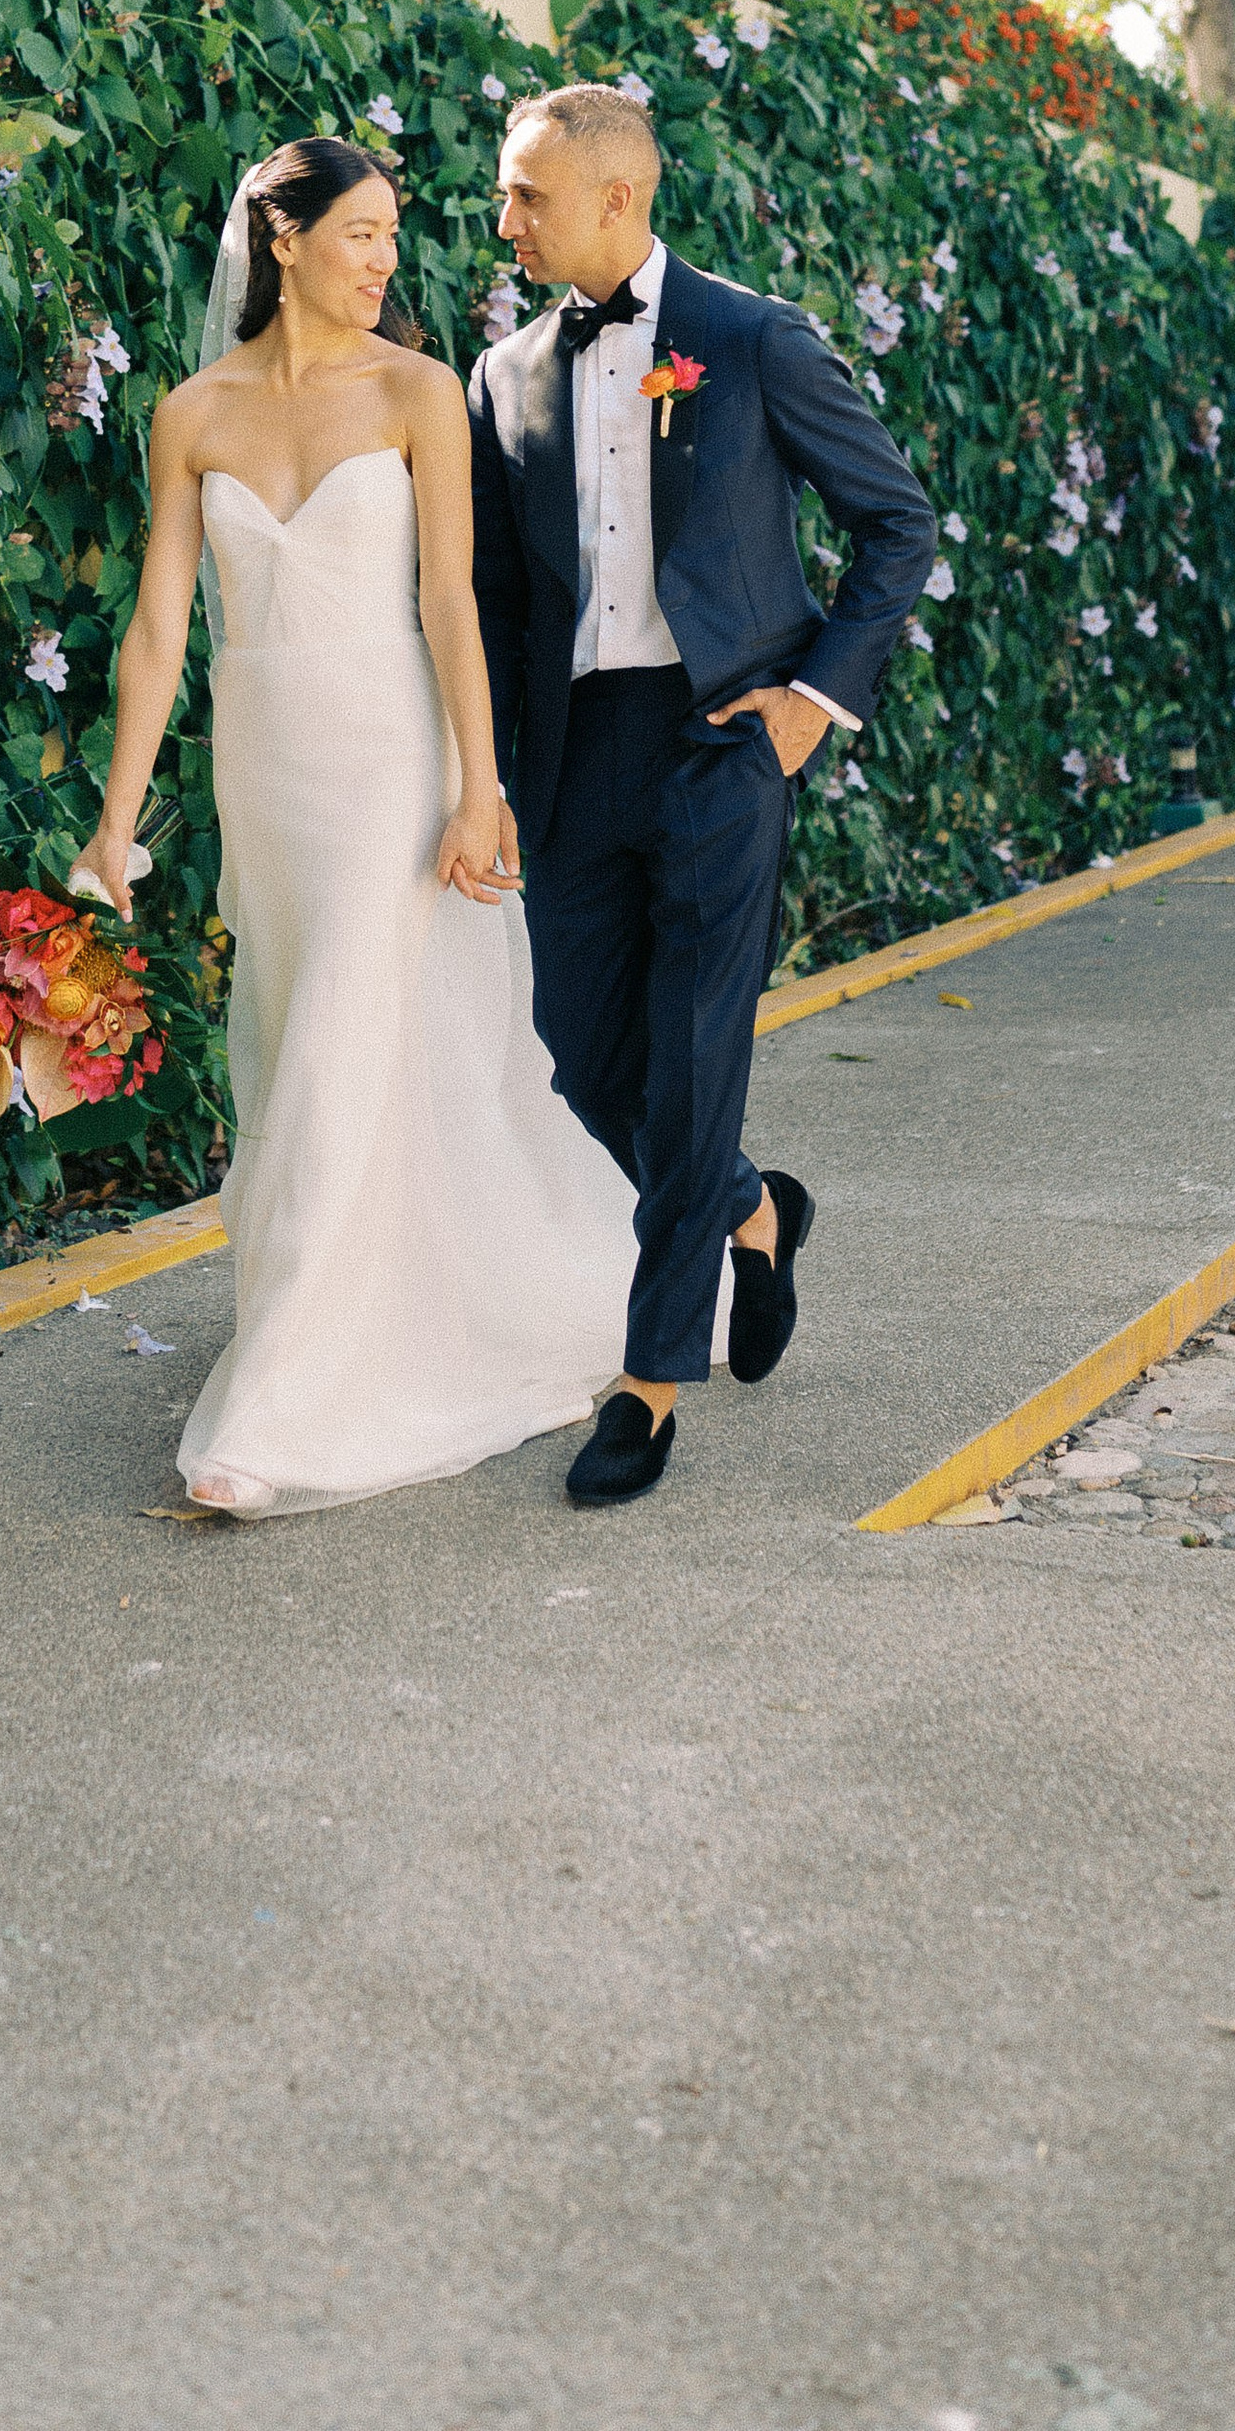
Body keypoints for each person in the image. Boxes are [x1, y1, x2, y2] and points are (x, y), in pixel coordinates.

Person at [73, 136, 642, 1514]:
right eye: (361, 234)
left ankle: (280, 1408)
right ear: (283, 243)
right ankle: (378, 1316)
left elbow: (452, 602)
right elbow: (157, 635)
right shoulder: (191, 415)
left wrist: (480, 784)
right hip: (267, 775)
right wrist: (113, 827)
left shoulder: (417, 392)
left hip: (391, 763)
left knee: (336, 1043)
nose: (388, 260)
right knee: (297, 1048)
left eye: (392, 235)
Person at [468, 83, 937, 1505]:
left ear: (618, 197)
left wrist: (812, 702)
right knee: (575, 1050)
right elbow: (498, 601)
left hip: (722, 741)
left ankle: (654, 1379)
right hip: (573, 759)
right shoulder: (503, 377)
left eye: (527, 195)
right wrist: (493, 775)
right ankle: (751, 1208)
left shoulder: (754, 339)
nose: (504, 220)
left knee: (690, 1059)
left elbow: (896, 525)